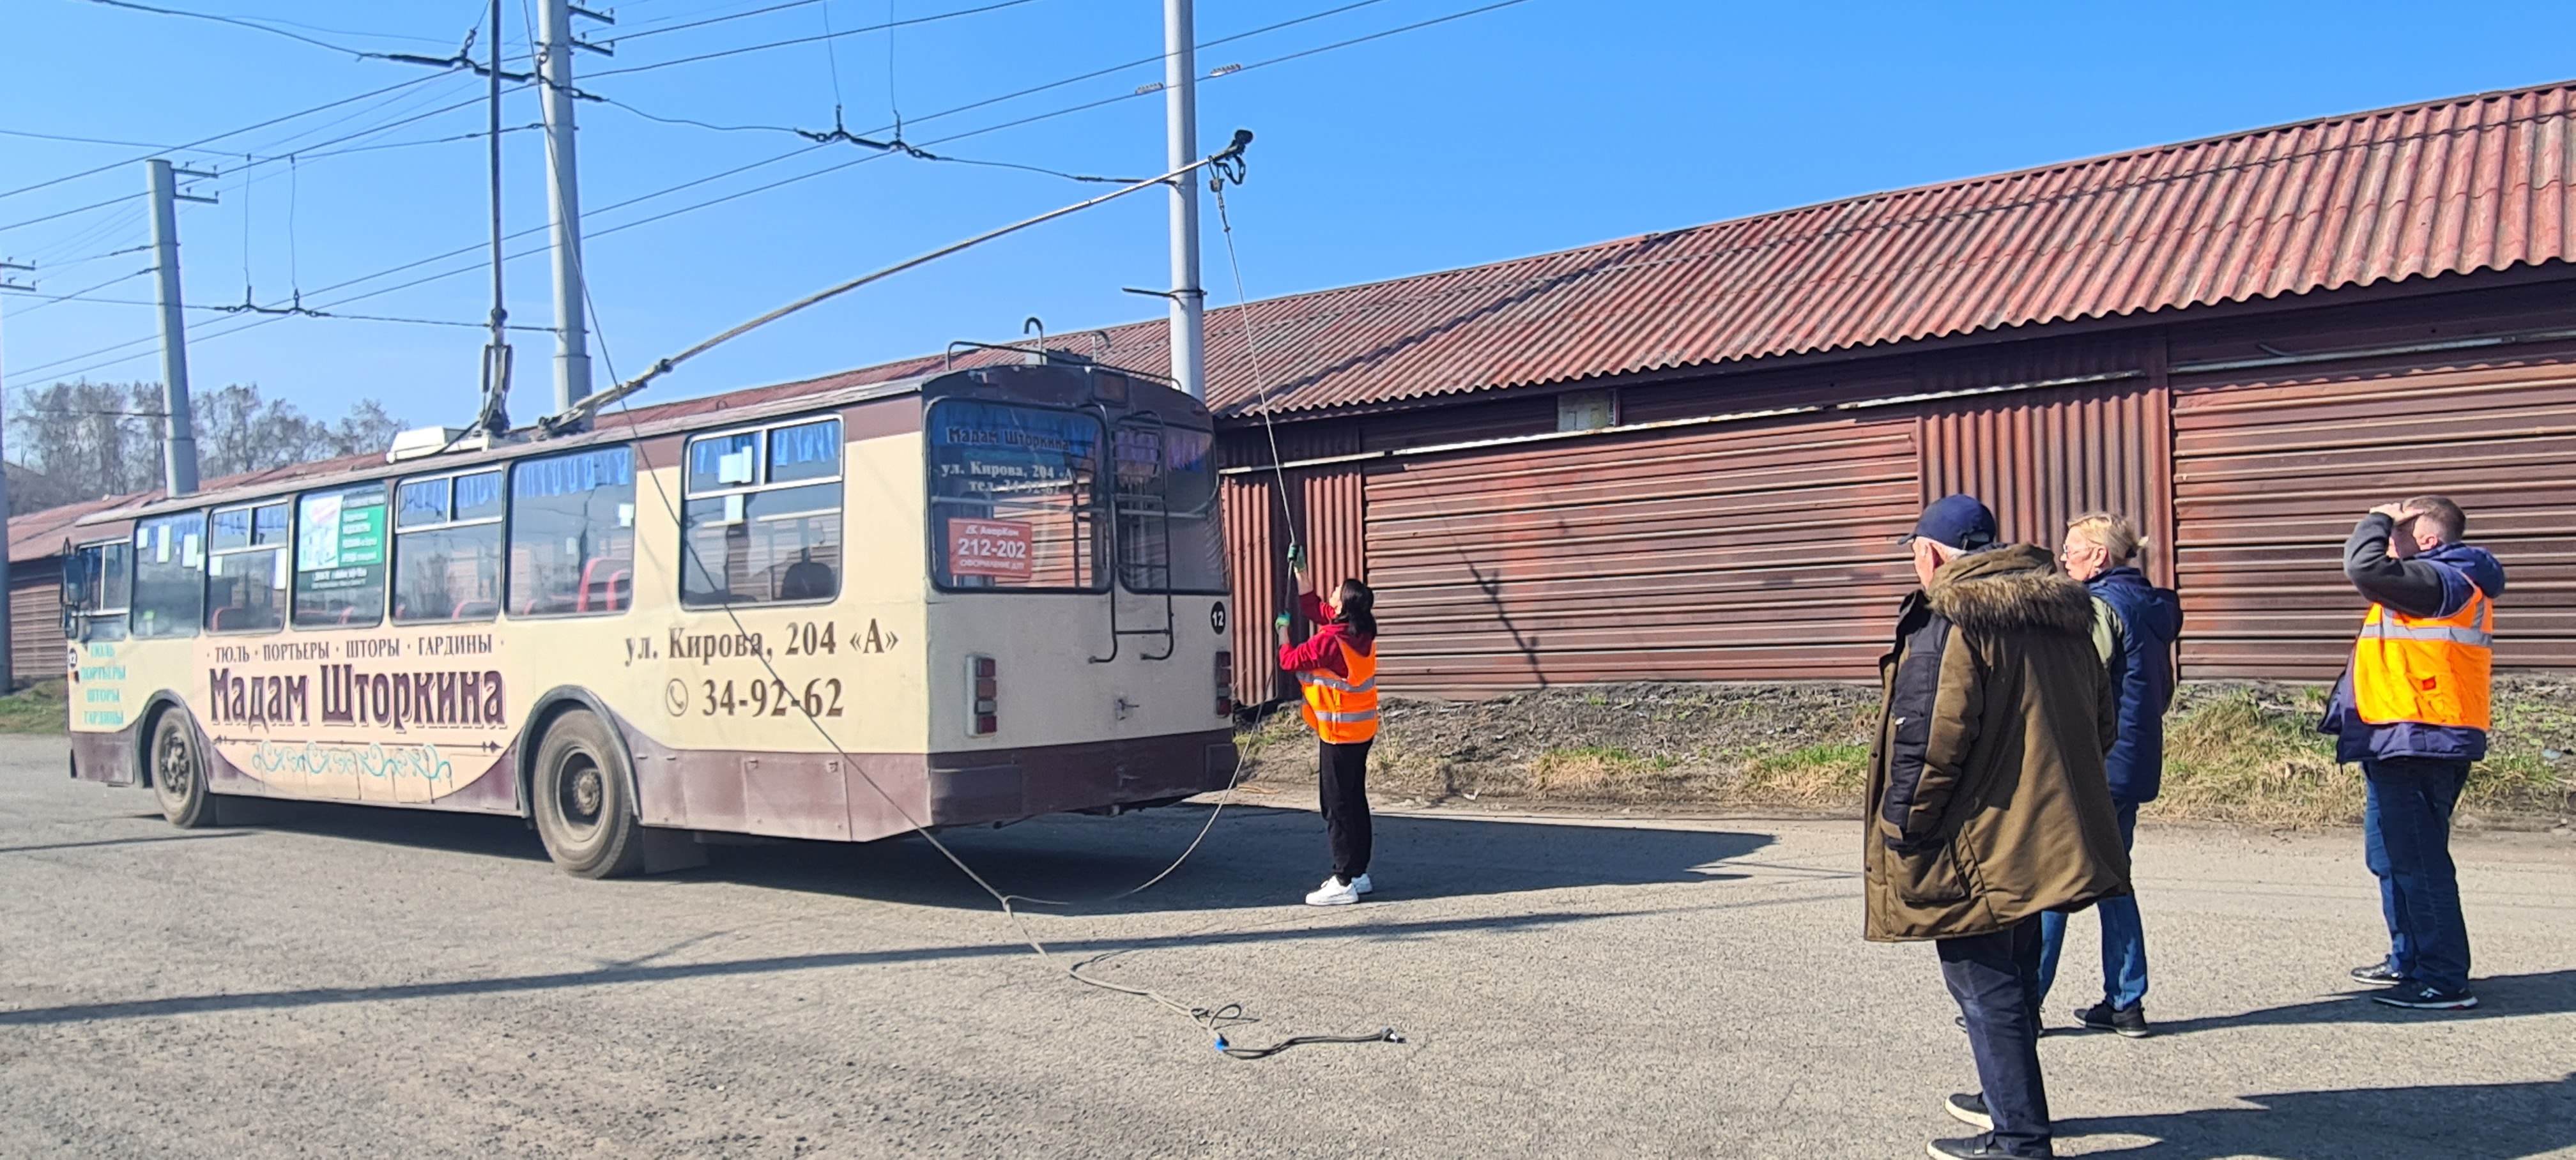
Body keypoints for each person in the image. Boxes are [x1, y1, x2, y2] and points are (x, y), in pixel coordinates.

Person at [1865, 494, 2129, 1160]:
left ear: (1930, 554)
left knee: (1985, 989)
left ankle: (2019, 1139)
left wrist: (1903, 830)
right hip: (2041, 830)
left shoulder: (1951, 620)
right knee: (2012, 975)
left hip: (1974, 838)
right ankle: (2009, 1105)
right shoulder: (2063, 614)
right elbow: (2103, 723)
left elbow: (1929, 741)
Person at [2319, 496, 2504, 1011]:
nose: (2389, 538)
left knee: (2419, 863)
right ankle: (2411, 958)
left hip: (2422, 737)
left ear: (2427, 539)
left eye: (2400, 528)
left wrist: (2377, 516)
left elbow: (2362, 566)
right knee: (2390, 857)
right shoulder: (2435, 582)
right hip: (2397, 736)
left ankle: (2445, 979)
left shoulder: (2442, 581)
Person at [2039, 513, 2181, 1039]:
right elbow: (2158, 692)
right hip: (2133, 763)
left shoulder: (2098, 607)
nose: (2063, 556)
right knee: (2113, 879)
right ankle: (2126, 1003)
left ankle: (2025, 1004)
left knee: (2056, 878)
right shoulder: (2149, 607)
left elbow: (2080, 688)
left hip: (2094, 765)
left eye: (2072, 548)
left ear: (2099, 556)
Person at [1275, 555, 1381, 907]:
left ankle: (1342, 880)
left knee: (1335, 806)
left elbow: (1289, 660)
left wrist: (1283, 634)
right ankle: (1359, 872)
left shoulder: (1330, 643)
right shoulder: (1361, 630)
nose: (1331, 593)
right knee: (1355, 800)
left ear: (1343, 605)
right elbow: (1316, 608)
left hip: (1337, 734)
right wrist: (1301, 573)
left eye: (1336, 592)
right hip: (1362, 732)